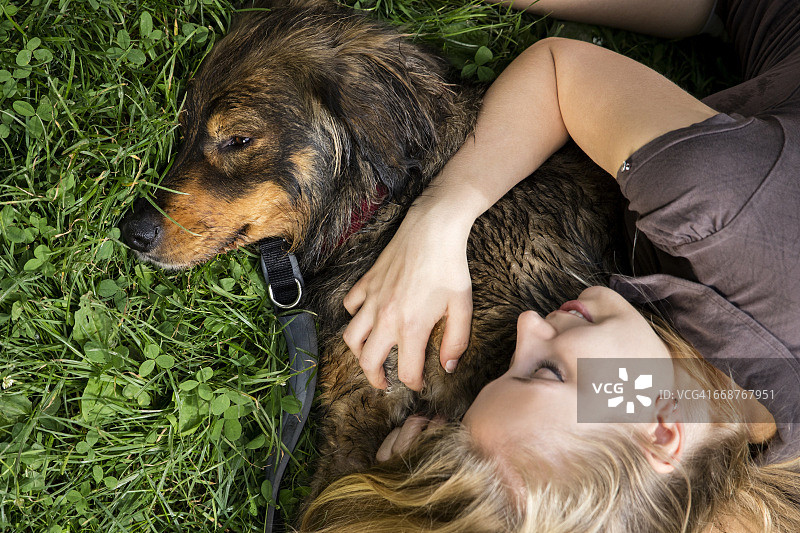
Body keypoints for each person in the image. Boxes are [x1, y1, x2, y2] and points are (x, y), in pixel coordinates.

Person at [302, 0, 800, 531]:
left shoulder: (710, 433)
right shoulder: (718, 213)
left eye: (509, 369)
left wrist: (433, 482)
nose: (528, 326)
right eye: (546, 371)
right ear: (660, 429)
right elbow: (560, 74)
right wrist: (438, 222)